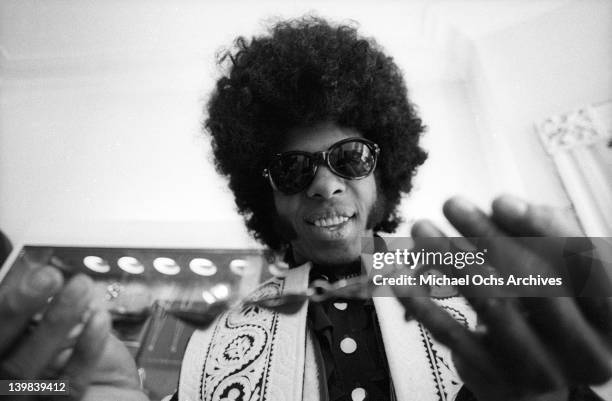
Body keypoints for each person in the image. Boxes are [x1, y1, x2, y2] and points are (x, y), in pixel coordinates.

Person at [0, 16, 610, 401]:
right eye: (294, 168)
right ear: (267, 193)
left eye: (349, 156)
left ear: (384, 169)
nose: (323, 185)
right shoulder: (220, 340)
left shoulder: (484, 294)